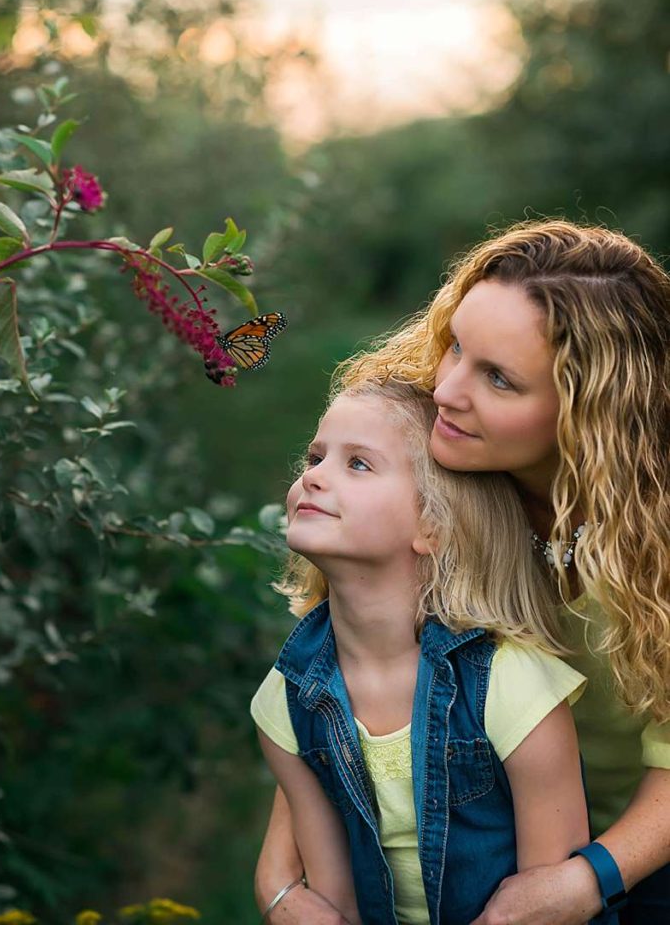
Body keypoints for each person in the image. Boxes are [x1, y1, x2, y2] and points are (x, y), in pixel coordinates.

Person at [254, 220, 670, 925]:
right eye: (455, 345)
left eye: (498, 378)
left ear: (586, 410)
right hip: (483, 856)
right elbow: (350, 674)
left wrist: (584, 881)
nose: (446, 388)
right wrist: (280, 875)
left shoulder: (648, 536)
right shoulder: (442, 473)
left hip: (627, 863)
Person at [252, 378, 589, 925]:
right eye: (315, 457)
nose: (313, 476)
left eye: (357, 464)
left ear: (431, 524)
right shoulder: (285, 702)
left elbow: (550, 902)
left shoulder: (514, 687)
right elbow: (335, 903)